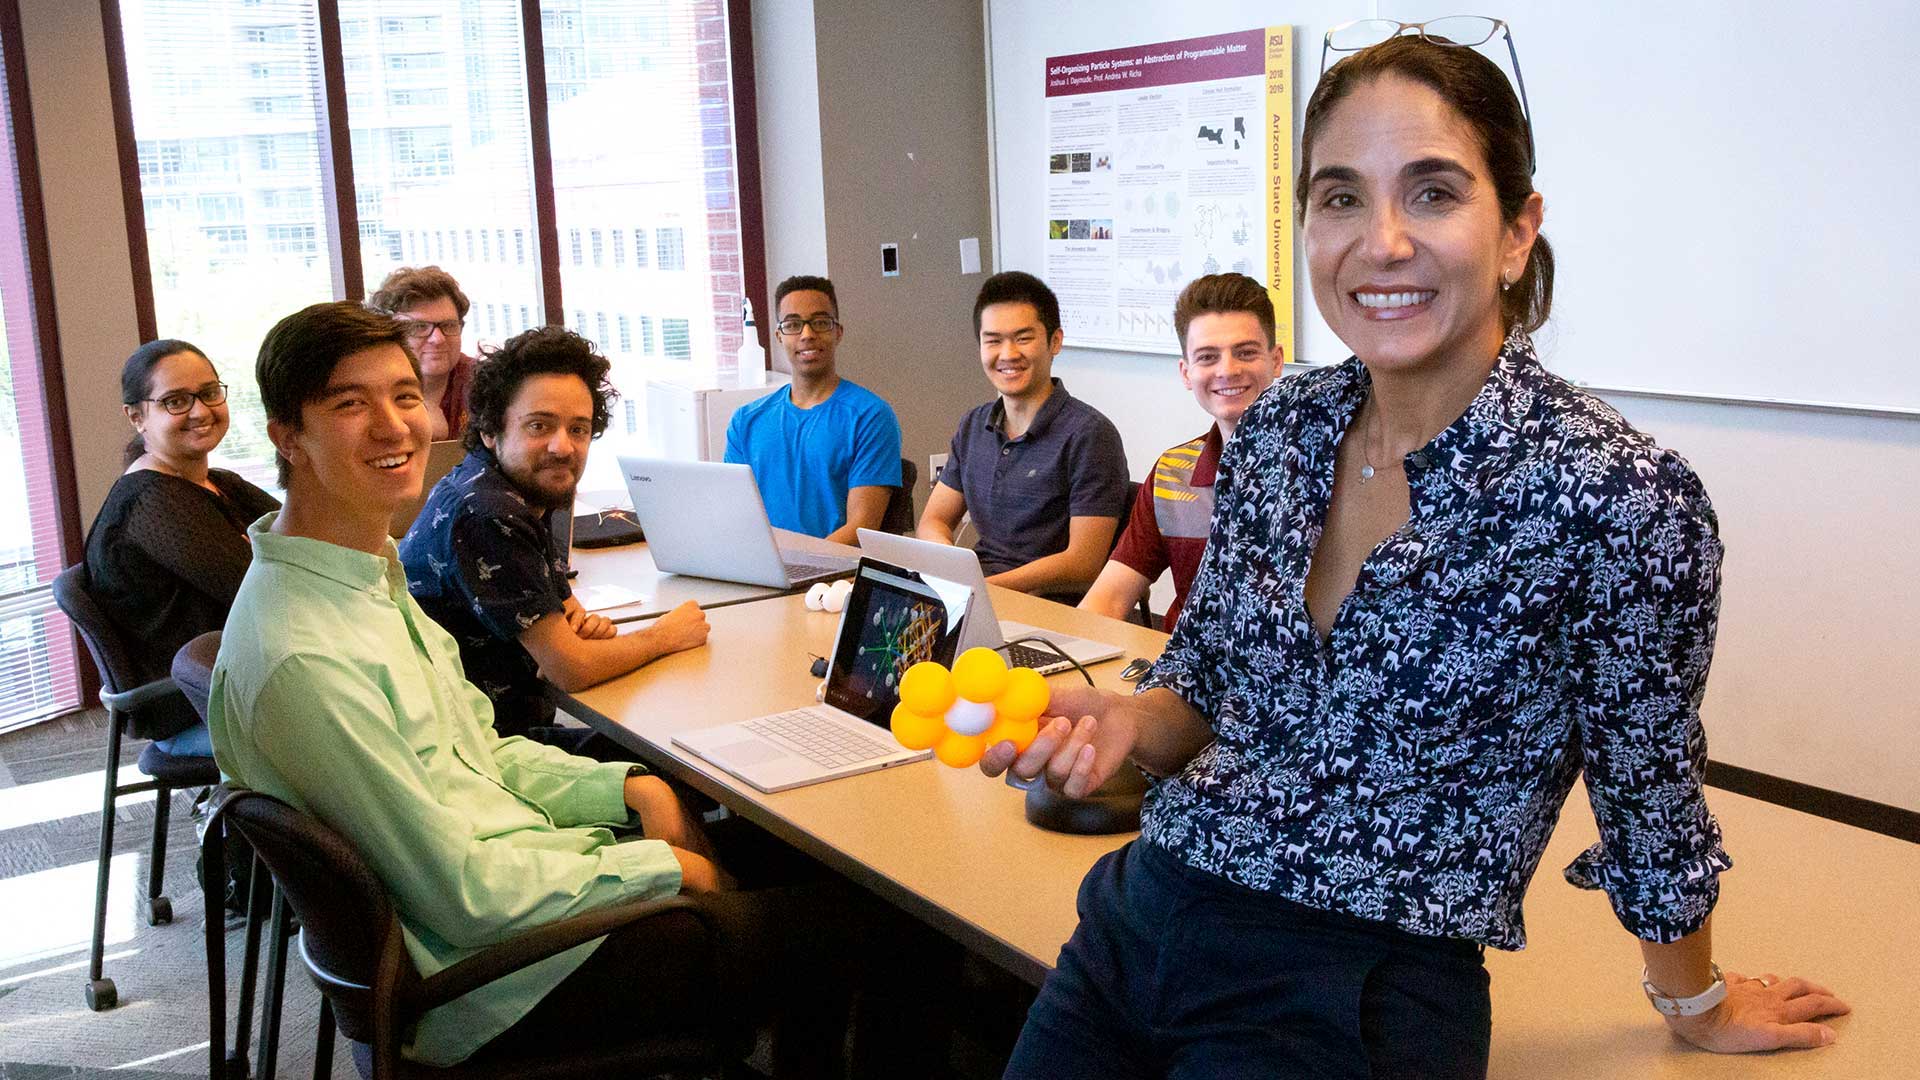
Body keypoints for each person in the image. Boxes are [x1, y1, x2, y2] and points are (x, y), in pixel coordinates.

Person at [984, 31, 1849, 1079]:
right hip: (1142, 916)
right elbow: (1206, 682)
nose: (1381, 242)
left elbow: (1648, 791)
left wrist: (1696, 1000)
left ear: (1518, 232)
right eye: (1341, 198)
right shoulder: (1277, 433)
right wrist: (1126, 719)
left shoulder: (1614, 496)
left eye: (1433, 193)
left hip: (1356, 986)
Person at [209, 301, 945, 1072]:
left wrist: (628, 789)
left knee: (794, 856)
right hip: (501, 977)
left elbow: (480, 759)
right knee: (895, 916)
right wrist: (669, 868)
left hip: (517, 892)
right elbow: (467, 893)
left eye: (403, 395)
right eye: (350, 404)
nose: (395, 425)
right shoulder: (307, 656)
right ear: (288, 435)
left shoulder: (362, 585)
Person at [400, 326, 709, 742]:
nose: (563, 447)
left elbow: (568, 620)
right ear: (491, 431)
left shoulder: (511, 484)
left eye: (578, 429)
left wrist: (571, 635)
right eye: (539, 426)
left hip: (493, 729)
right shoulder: (489, 512)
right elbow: (572, 669)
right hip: (486, 750)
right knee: (678, 756)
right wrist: (666, 635)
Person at [83, 339, 278, 754]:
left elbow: (309, 541)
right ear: (137, 416)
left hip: (247, 673)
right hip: (196, 700)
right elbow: (265, 590)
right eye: (175, 401)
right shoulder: (151, 501)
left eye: (209, 393)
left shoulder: (221, 483)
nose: (200, 411)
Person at [1078, 273, 1282, 631]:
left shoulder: (1322, 469)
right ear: (1186, 373)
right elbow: (1108, 599)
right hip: (1179, 673)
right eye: (1207, 357)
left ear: (1276, 361)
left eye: (1246, 352)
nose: (1228, 370)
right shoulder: (1173, 472)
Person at [916, 270, 1128, 596]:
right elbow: (933, 521)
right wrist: (952, 565)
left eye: (1023, 338)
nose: (1008, 354)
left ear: (1054, 341)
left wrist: (984, 588)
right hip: (982, 591)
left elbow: (1084, 563)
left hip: (1051, 606)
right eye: (993, 340)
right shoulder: (974, 425)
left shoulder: (1090, 435)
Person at [723, 274, 903, 543]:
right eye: (793, 324)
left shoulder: (870, 417)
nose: (807, 334)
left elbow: (862, 528)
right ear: (779, 336)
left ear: (838, 332)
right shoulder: (746, 421)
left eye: (820, 323)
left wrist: (800, 569)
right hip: (764, 571)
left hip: (834, 578)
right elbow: (735, 516)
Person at [368, 265, 475, 439]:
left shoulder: (485, 383)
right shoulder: (366, 390)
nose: (438, 339)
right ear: (387, 333)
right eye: (419, 327)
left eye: (448, 325)